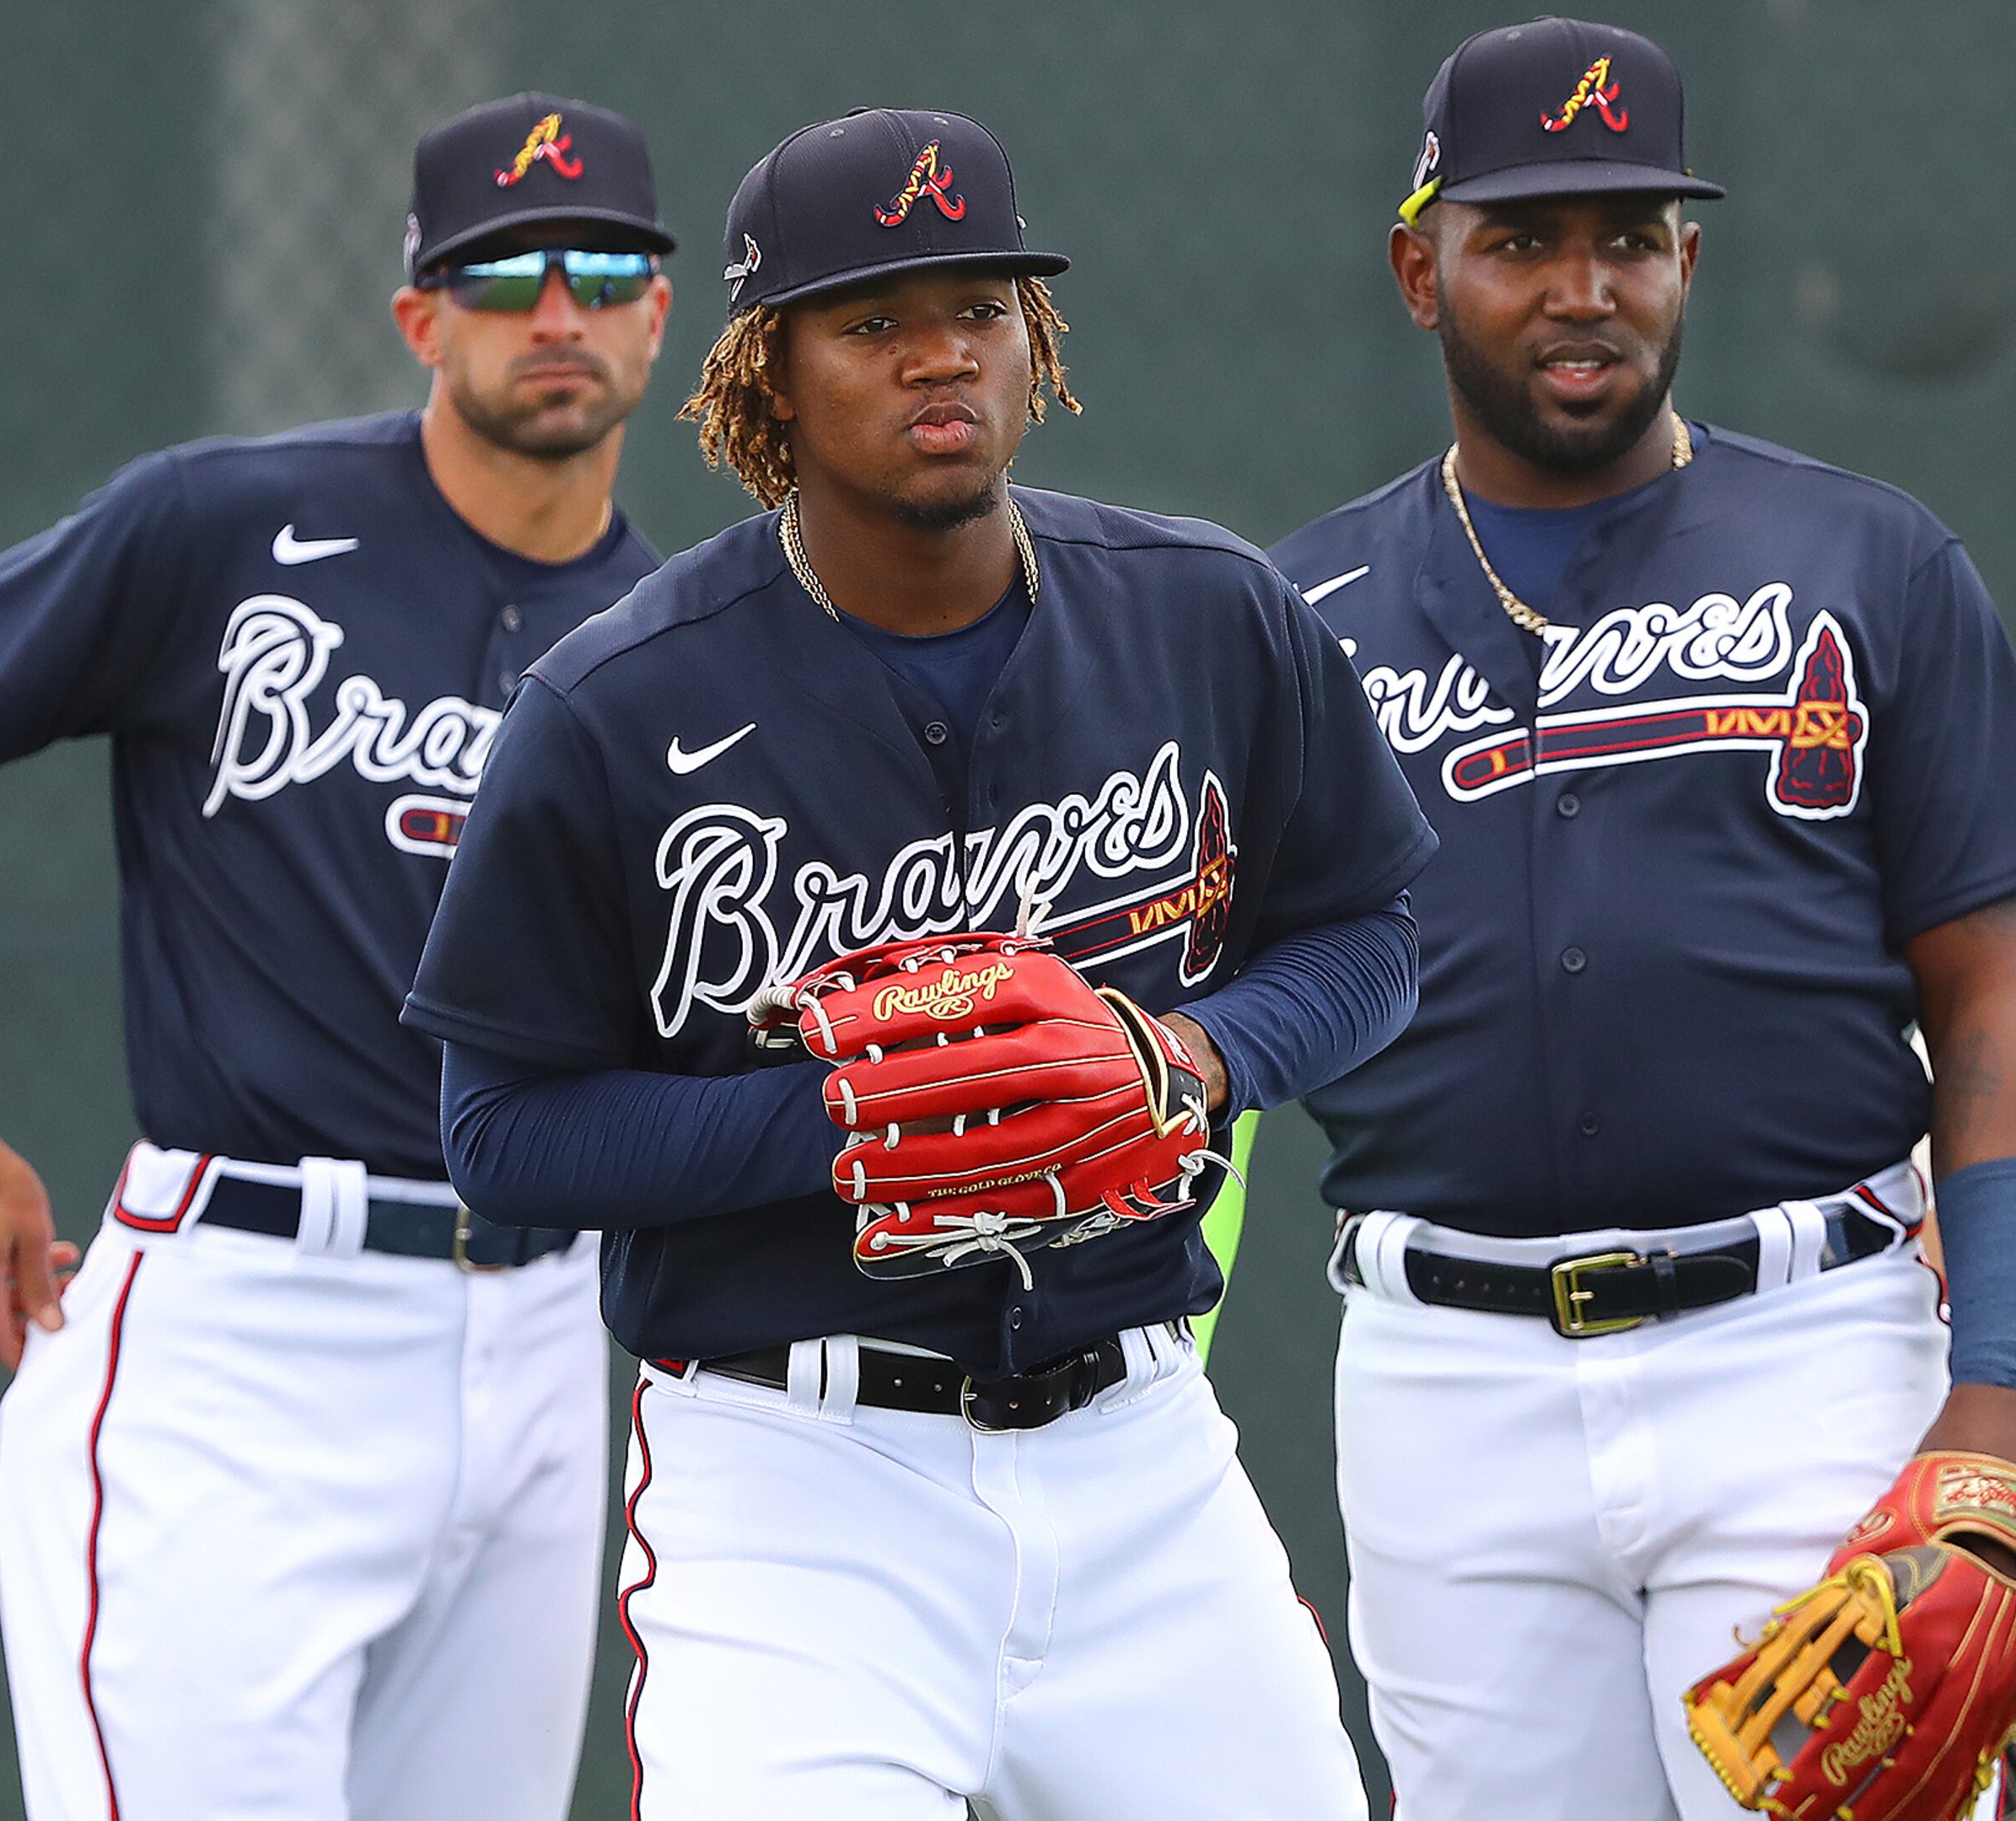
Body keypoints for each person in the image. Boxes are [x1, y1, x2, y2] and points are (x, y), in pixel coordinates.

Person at [402, 108, 1436, 1820]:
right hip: (796, 1475)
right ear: (768, 377)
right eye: (873, 320)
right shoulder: (613, 708)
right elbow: (501, 1135)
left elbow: (1370, 934)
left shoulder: (1205, 612)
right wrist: (857, 1123)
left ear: (1036, 341)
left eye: (979, 303)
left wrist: (1191, 1059)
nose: (940, 353)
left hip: (1141, 1455)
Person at [0, 92, 675, 1821]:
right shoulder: (222, 529)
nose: (554, 310)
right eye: (502, 273)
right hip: (245, 1326)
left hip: (545, 1355)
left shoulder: (675, 643)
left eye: (599, 266)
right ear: (421, 313)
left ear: (661, 310)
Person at [1266, 21, 2016, 1819]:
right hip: (1440, 1379)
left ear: (1687, 262)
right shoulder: (1297, 617)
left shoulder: (1872, 560)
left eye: (1629, 237)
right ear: (1424, 267)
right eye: (1522, 241)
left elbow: (2001, 1012)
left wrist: (2006, 1389)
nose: (1585, 289)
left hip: (1796, 1354)